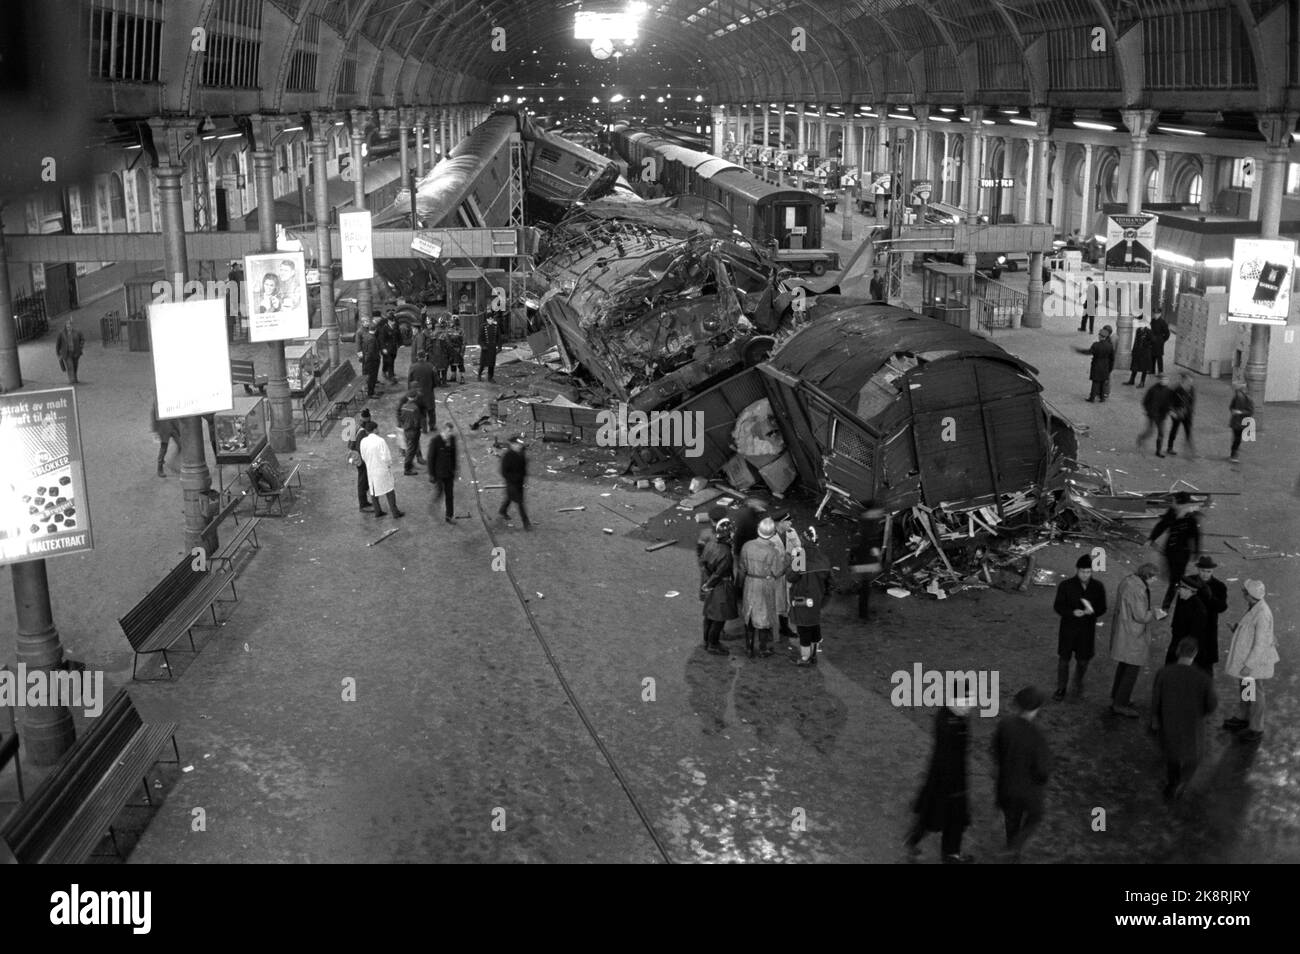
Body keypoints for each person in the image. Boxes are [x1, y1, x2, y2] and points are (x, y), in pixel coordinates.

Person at [906, 699, 974, 864]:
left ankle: (950, 854)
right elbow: (947, 758)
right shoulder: (949, 725)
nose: (969, 706)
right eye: (964, 702)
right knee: (935, 816)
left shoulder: (951, 718)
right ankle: (918, 843)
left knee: (945, 818)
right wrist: (954, 786)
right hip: (947, 782)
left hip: (949, 781)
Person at [1150, 636, 1217, 800]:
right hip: (1192, 727)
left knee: (1171, 755)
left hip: (1169, 723)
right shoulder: (1203, 679)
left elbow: (1156, 699)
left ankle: (1172, 781)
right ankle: (1183, 782)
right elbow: (1211, 705)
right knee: (1193, 757)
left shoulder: (1164, 673)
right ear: (1195, 653)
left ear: (1178, 651)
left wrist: (1155, 719)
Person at [991, 686, 1051, 861]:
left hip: (1006, 785)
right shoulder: (1037, 735)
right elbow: (1043, 770)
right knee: (1036, 815)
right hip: (1028, 789)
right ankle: (1015, 846)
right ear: (1036, 709)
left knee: (1012, 820)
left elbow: (997, 751)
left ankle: (1012, 852)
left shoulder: (1005, 725)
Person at [1222, 579, 1278, 744]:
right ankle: (1244, 717)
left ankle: (1256, 728)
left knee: (1256, 694)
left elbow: (1260, 643)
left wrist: (1249, 666)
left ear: (1249, 595)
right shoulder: (1255, 606)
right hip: (1247, 659)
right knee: (1247, 689)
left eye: (1244, 591)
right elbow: (1251, 631)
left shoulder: (1262, 614)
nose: (1242, 593)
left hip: (1254, 662)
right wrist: (1237, 629)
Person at [1052, 554, 1108, 700]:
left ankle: (1077, 683)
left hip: (1086, 630)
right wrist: (1071, 612)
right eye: (1083, 572)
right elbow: (1058, 606)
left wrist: (1093, 611)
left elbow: (1102, 608)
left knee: (1083, 661)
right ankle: (1061, 688)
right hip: (1068, 629)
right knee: (1064, 660)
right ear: (1077, 570)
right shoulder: (1066, 585)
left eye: (1088, 572)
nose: (1085, 575)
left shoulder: (1097, 587)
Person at [1108, 563, 1160, 717]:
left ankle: (1116, 696)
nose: (1155, 581)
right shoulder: (1138, 590)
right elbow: (1141, 616)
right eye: (1154, 577)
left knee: (1123, 666)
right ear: (1148, 576)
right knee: (1131, 669)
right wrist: (1155, 613)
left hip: (1123, 630)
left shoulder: (1128, 581)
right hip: (1133, 634)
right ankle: (1121, 704)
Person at [736, 517, 786, 659]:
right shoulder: (772, 552)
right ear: (771, 533)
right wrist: (788, 560)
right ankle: (763, 649)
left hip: (749, 582)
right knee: (765, 618)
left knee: (749, 615)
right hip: (765, 585)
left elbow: (742, 567)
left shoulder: (747, 546)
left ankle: (749, 648)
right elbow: (777, 572)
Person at [786, 526, 832, 667]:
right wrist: (823, 600)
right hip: (816, 601)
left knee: (804, 630)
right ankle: (813, 655)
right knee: (813, 626)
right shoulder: (824, 559)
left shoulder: (800, 557)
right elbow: (831, 583)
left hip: (801, 601)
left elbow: (791, 577)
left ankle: (805, 658)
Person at [1149, 491, 1201, 611]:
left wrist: (1196, 552)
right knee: (1171, 576)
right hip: (1170, 551)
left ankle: (1166, 606)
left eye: (1174, 501)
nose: (1171, 503)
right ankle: (1178, 591)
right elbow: (1162, 525)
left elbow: (1195, 535)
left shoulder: (1190, 518)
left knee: (1175, 580)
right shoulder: (1172, 512)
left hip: (1181, 554)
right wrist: (1152, 537)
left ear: (1179, 503)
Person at [699, 517, 738, 656]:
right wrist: (710, 584)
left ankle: (706, 641)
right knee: (719, 619)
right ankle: (713, 644)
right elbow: (720, 573)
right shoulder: (726, 554)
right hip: (721, 587)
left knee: (709, 616)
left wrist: (706, 585)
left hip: (710, 584)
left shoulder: (710, 544)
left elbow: (703, 562)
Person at [1166, 576, 1215, 679]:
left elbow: (1195, 635)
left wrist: (1183, 654)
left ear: (1189, 590)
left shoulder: (1198, 609)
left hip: (1184, 649)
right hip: (1178, 644)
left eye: (1181, 589)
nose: (1178, 591)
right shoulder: (1184, 601)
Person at [848, 501, 886, 620]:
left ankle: (862, 611)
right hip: (867, 564)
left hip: (861, 562)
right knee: (865, 589)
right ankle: (863, 614)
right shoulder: (872, 529)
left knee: (864, 587)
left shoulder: (864, 523)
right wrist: (878, 557)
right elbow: (873, 547)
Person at [359, 419, 403, 518]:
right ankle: (395, 512)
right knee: (389, 489)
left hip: (371, 469)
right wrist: (388, 465)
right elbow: (387, 457)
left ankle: (377, 511)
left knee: (373, 491)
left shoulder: (363, 441)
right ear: (374, 430)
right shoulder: (380, 441)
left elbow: (363, 456)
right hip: (382, 469)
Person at [428, 420, 458, 524]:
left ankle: (449, 516)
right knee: (439, 492)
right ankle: (433, 505)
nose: (451, 434)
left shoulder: (452, 439)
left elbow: (454, 455)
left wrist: (455, 469)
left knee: (450, 495)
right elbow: (431, 458)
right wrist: (431, 474)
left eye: (451, 431)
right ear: (444, 431)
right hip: (439, 473)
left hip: (449, 473)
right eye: (449, 431)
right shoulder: (435, 441)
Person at [497, 435, 530, 530]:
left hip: (519, 482)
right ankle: (526, 522)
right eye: (516, 444)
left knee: (510, 497)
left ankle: (503, 510)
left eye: (519, 444)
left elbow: (523, 467)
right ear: (512, 445)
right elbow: (504, 472)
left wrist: (523, 478)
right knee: (520, 502)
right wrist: (513, 479)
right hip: (511, 482)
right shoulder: (507, 456)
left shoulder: (521, 454)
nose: (518, 446)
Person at [1136, 375, 1174, 457]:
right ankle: (1141, 438)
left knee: (1161, 433)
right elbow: (1145, 401)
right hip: (1152, 415)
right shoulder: (1153, 390)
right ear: (1159, 380)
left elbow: (1170, 403)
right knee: (1150, 431)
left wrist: (1169, 410)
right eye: (1163, 379)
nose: (1165, 381)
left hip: (1162, 415)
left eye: (1166, 379)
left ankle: (1158, 451)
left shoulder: (1169, 391)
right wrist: (1149, 411)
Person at [1076, 325, 1114, 402]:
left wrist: (1080, 351)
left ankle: (1092, 398)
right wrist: (1110, 368)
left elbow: (1088, 352)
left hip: (1097, 365)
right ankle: (1102, 398)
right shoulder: (1110, 346)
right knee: (1103, 382)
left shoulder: (1096, 345)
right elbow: (1112, 358)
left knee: (1095, 382)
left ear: (1100, 336)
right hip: (1105, 366)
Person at [347, 409, 373, 511]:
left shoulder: (356, 426)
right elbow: (361, 448)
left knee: (362, 480)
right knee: (362, 481)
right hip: (361, 460)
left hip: (356, 457)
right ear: (368, 419)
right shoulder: (362, 431)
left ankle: (364, 502)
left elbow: (350, 444)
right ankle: (363, 505)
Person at [1166, 372, 1196, 456]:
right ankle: (1169, 447)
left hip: (1187, 414)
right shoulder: (1176, 389)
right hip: (1177, 413)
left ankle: (1189, 449)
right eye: (1189, 380)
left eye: (1191, 381)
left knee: (1188, 431)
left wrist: (1191, 411)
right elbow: (1168, 401)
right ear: (1184, 380)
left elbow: (1192, 401)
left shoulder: (1191, 389)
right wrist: (1171, 412)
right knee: (1174, 430)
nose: (1190, 382)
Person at [151, 401, 182, 479]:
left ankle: (174, 463)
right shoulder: (157, 401)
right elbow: (154, 416)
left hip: (173, 426)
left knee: (181, 445)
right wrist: (155, 430)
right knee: (164, 448)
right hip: (163, 428)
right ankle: (160, 467)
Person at [397, 388, 424, 475]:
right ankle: (407, 469)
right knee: (411, 450)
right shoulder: (415, 408)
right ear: (415, 397)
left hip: (406, 430)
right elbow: (417, 422)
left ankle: (409, 465)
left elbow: (401, 418)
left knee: (410, 448)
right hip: (413, 431)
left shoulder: (404, 406)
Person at [407, 351, 437, 432]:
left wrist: (410, 391)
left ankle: (423, 428)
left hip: (418, 394)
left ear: (417, 357)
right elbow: (436, 380)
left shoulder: (413, 367)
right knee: (431, 410)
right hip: (429, 392)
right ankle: (432, 426)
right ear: (425, 357)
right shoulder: (430, 366)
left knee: (421, 411)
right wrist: (432, 386)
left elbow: (409, 380)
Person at [1124, 318, 1154, 387]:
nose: (1141, 324)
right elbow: (1136, 340)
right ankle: (1132, 380)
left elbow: (1153, 341)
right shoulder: (1138, 330)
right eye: (1140, 323)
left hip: (1145, 353)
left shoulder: (1149, 331)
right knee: (1135, 366)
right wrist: (1133, 350)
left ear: (1146, 324)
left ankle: (1142, 382)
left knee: (1144, 368)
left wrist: (1146, 344)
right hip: (1137, 351)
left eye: (1142, 323)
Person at [1228, 382, 1254, 463]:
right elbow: (1250, 411)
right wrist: (1236, 411)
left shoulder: (1242, 397)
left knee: (1237, 438)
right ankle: (1234, 454)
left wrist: (1237, 412)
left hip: (1238, 421)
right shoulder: (1244, 398)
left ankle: (1234, 452)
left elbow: (1231, 407)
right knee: (1237, 438)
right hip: (1239, 422)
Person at [55, 319, 84, 384]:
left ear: (72, 326)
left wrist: (80, 347)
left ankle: (75, 379)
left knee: (75, 366)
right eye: (67, 326)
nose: (68, 327)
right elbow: (58, 344)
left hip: (76, 352)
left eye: (70, 326)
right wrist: (58, 353)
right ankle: (72, 380)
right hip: (67, 353)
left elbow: (82, 339)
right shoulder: (61, 333)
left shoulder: (77, 332)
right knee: (70, 366)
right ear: (65, 326)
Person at [478, 309, 502, 382]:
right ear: (487, 319)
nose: (490, 320)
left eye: (492, 319)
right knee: (483, 363)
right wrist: (483, 346)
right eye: (489, 319)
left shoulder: (496, 327)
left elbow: (499, 337)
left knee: (491, 364)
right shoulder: (483, 327)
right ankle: (479, 374)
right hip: (485, 347)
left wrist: (500, 347)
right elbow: (480, 339)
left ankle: (490, 377)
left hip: (492, 348)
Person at [360, 322, 382, 398]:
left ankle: (372, 391)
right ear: (375, 330)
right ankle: (371, 393)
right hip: (372, 362)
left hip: (368, 360)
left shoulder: (366, 336)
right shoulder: (372, 339)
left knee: (371, 377)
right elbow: (371, 352)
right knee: (372, 377)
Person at [377, 314, 400, 384]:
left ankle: (385, 371)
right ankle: (391, 377)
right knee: (390, 362)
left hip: (393, 348)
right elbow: (381, 339)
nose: (394, 322)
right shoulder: (384, 328)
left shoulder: (395, 327)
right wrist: (383, 348)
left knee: (391, 361)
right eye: (393, 321)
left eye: (394, 321)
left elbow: (397, 336)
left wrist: (399, 344)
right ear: (389, 321)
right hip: (386, 349)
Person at [430, 319, 451, 386]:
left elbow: (429, 345)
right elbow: (448, 344)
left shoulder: (432, 334)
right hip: (443, 354)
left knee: (437, 369)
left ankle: (438, 382)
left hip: (435, 355)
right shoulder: (445, 334)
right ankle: (444, 382)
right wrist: (449, 353)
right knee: (444, 369)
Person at [446, 317, 466, 384]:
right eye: (450, 322)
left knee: (460, 364)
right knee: (452, 364)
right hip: (451, 349)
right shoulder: (449, 330)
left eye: (452, 322)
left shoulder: (460, 330)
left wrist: (462, 352)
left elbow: (464, 342)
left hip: (458, 349)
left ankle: (462, 378)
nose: (450, 323)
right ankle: (453, 376)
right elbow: (447, 340)